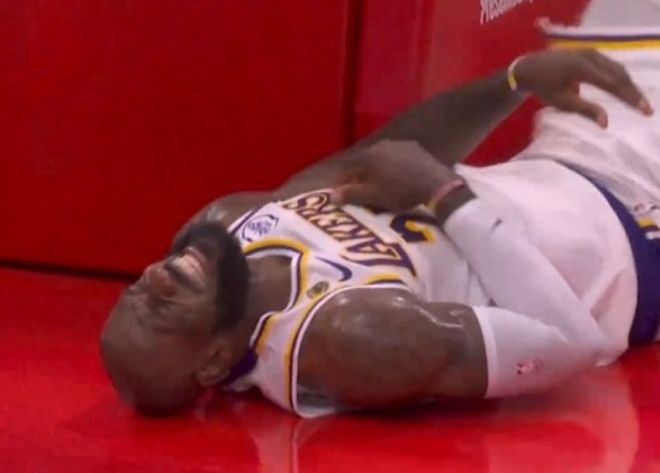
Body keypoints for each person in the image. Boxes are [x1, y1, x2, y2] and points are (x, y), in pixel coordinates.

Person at [100, 0, 660, 417]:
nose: (156, 278)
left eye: (137, 291)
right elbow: (571, 343)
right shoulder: (349, 337)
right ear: (213, 362)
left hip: (573, 155)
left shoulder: (228, 224)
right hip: (641, 247)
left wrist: (513, 82)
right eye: (159, 310)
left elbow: (378, 159)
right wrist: (445, 197)